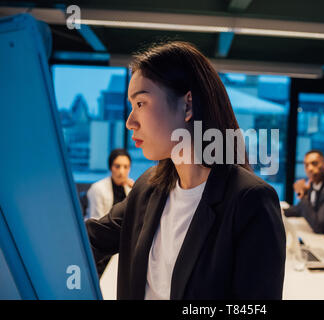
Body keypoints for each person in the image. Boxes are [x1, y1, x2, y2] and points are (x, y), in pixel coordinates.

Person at [85, 41, 286, 300]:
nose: (129, 122)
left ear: (188, 105)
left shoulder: (250, 201)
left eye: (141, 104)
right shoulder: (148, 187)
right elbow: (89, 240)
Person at [86, 149, 134, 220]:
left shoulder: (132, 188)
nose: (121, 172)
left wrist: (135, 190)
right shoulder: (98, 188)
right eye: (117, 166)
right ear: (110, 167)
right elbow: (96, 220)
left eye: (126, 167)